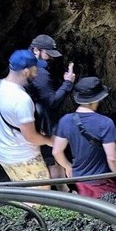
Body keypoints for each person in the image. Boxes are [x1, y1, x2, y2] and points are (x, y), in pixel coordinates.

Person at [0, 50, 54, 189]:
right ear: (25, 72)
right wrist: (50, 141)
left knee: (25, 192)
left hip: (3, 153)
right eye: (35, 69)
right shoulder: (21, 99)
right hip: (23, 157)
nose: (36, 73)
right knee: (41, 197)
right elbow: (30, 137)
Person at [52, 77, 116, 198]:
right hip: (102, 181)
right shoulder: (105, 123)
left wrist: (68, 167)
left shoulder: (65, 120)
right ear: (97, 98)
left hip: (80, 180)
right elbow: (113, 158)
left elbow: (56, 151)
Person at [27, 34, 76, 188]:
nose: (50, 58)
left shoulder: (26, 66)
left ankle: (63, 189)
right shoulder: (38, 73)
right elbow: (51, 102)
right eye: (48, 54)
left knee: (52, 155)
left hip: (34, 119)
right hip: (43, 120)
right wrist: (68, 83)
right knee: (53, 155)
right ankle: (62, 190)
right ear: (36, 50)